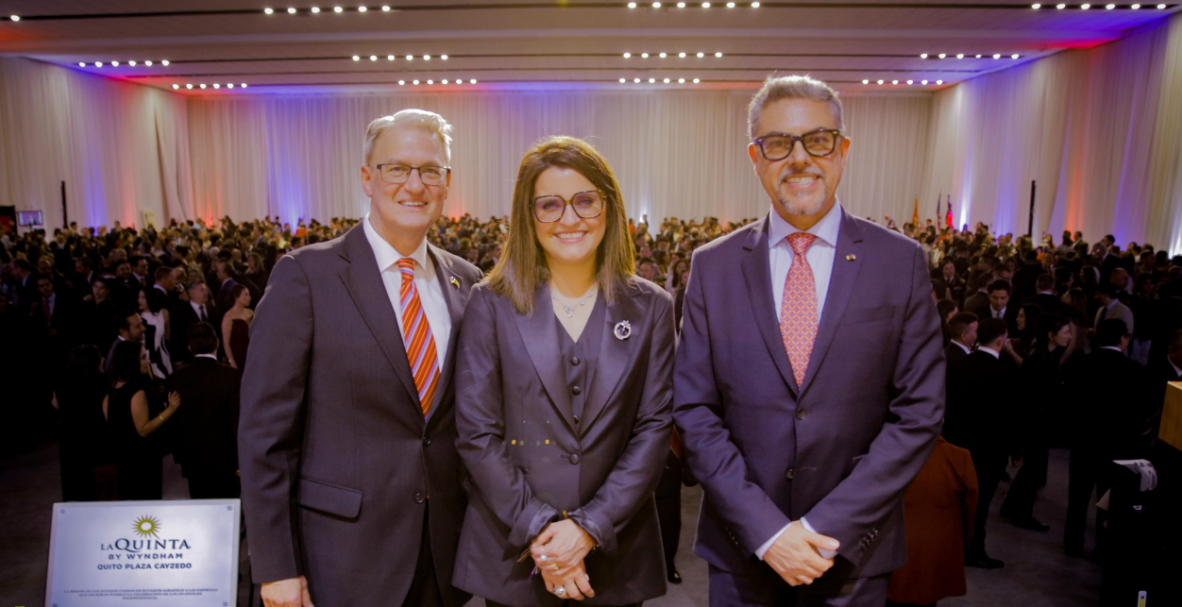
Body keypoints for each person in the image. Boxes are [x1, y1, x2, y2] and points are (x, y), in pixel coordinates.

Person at [673, 75, 945, 606]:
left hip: (852, 556)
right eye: (778, 144)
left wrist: (826, 526)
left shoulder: (900, 262)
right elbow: (694, 410)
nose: (799, 158)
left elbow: (918, 413)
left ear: (842, 151)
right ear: (756, 158)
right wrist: (769, 534)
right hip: (743, 552)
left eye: (817, 140)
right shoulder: (713, 267)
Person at [240, 109, 481, 607]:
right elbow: (265, 437)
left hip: (443, 557)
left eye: (430, 170)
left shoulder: (467, 281)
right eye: (397, 168)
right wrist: (276, 567)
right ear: (367, 178)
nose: (415, 185)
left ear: (447, 182)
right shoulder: (306, 276)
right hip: (340, 560)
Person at [454, 136, 674, 607]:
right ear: (527, 216)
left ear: (609, 208)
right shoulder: (490, 302)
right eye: (549, 205)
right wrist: (541, 528)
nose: (569, 219)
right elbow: (476, 432)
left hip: (617, 552)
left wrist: (589, 528)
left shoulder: (651, 307)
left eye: (585, 201)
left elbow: (653, 430)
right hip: (516, 554)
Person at [1064, 318, 1151, 557]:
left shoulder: (1081, 364)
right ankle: (1103, 546)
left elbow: (1068, 404)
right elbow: (1140, 412)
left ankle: (1073, 543)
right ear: (1123, 339)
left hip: (1084, 442)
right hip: (1117, 446)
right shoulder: (1135, 371)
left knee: (1078, 497)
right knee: (1109, 500)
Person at [945, 317, 1016, 569]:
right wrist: (1014, 450)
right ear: (1000, 340)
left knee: (957, 500)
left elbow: (950, 405)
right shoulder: (1004, 372)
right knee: (981, 503)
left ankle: (955, 547)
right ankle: (974, 550)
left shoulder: (960, 364)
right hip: (990, 450)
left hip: (960, 445)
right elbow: (1008, 416)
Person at [885, 436, 979, 607]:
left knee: (889, 597)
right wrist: (966, 541)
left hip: (890, 548)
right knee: (926, 597)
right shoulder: (958, 457)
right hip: (934, 550)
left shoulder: (884, 453)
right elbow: (970, 509)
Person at [1000, 313, 1073, 532]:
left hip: (1037, 420)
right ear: (1051, 335)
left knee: (1031, 468)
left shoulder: (1044, 356)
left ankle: (1011, 506)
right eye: (1066, 332)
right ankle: (1023, 515)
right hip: (1035, 422)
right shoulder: (1039, 359)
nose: (1069, 336)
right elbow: (1030, 396)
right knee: (1033, 469)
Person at [168, 322, 242, 499]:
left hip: (193, 459)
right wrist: (240, 460)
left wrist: (181, 458)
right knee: (229, 515)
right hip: (227, 461)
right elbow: (236, 420)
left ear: (189, 347)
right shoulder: (232, 376)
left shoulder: (175, 378)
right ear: (217, 343)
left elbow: (175, 422)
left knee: (201, 512)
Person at [102, 340, 181, 500]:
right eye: (143, 357)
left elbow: (110, 422)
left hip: (122, 458)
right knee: (147, 502)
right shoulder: (137, 392)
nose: (149, 361)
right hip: (143, 461)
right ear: (132, 361)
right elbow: (143, 429)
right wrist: (170, 409)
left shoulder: (110, 389)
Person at [54, 345, 109, 502]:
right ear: (93, 362)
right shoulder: (103, 384)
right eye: (100, 357)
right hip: (96, 446)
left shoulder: (63, 385)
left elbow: (56, 406)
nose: (103, 360)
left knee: (75, 491)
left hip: (70, 447)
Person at [138, 288, 172, 377]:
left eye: (143, 298)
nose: (139, 301)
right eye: (139, 297)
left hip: (162, 353)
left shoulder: (164, 313)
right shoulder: (138, 317)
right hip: (147, 355)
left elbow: (167, 334)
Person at [220, 284, 253, 369]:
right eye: (246, 294)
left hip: (251, 356)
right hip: (237, 358)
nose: (249, 297)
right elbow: (226, 343)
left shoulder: (250, 313)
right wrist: (232, 363)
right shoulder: (228, 317)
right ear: (237, 298)